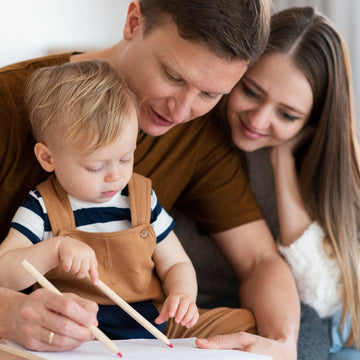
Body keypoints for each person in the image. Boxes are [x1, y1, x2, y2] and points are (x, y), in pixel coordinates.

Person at [0, 1, 301, 359]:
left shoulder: (200, 134)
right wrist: (8, 314)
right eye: (173, 77)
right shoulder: (9, 104)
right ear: (133, 21)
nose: (181, 111)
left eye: (209, 94)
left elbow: (259, 261)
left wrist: (283, 344)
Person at [0, 59, 201, 341]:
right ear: (48, 158)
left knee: (241, 322)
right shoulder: (42, 207)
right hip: (81, 330)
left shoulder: (140, 198)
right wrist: (54, 249)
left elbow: (177, 263)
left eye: (126, 157)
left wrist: (182, 294)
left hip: (154, 322)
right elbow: (4, 271)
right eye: (96, 166)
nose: (115, 176)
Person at [216, 6, 359, 359]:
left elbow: (320, 297)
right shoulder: (201, 130)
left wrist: (282, 165)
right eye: (250, 91)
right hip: (197, 308)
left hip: (282, 314)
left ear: (313, 121)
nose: (259, 119)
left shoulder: (319, 166)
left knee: (312, 336)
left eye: (287, 114)